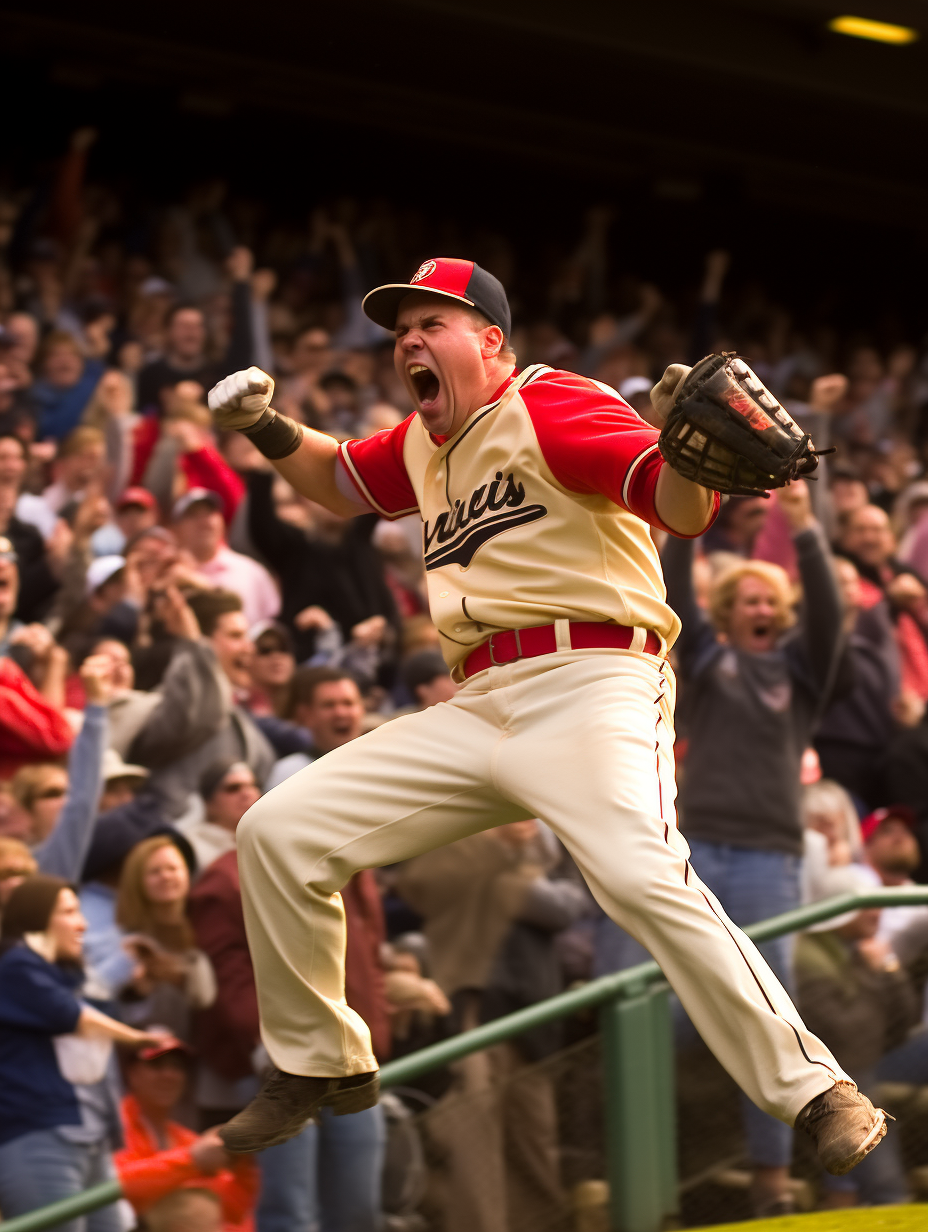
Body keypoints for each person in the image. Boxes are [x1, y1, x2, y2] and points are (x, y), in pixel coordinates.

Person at [207, 257, 884, 1177]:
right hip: (476, 700)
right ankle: (320, 1062)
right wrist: (264, 425)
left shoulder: (553, 402)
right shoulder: (420, 440)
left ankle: (818, 1090)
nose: (407, 337)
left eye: (430, 322)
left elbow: (674, 507)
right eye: (399, 327)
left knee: (640, 876)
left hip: (592, 677)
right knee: (277, 831)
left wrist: (686, 462)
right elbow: (339, 482)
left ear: (489, 339)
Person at [0, 874, 163, 1228]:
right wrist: (135, 1038)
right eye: (69, 912)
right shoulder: (14, 966)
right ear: (38, 918)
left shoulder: (64, 972)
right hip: (40, 1137)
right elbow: (71, 1017)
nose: (82, 923)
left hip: (91, 1136)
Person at [115, 1036, 257, 1231]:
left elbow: (232, 1211)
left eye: (177, 1067)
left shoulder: (186, 1138)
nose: (169, 1075)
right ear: (132, 1073)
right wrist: (192, 1160)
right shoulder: (114, 1124)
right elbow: (116, 1185)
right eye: (156, 1065)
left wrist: (245, 1166)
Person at [115, 836, 217, 1040]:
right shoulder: (130, 943)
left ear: (187, 873)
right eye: (155, 872)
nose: (166, 877)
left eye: (173, 868)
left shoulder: (211, 925)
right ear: (137, 881)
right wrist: (139, 993)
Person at [171, 489, 279, 627]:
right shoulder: (166, 575)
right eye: (193, 515)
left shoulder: (251, 571)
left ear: (222, 521)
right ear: (175, 528)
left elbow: (269, 625)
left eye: (210, 513)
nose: (204, 522)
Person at [264, 666, 366, 789]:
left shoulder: (383, 765)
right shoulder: (291, 773)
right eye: (329, 705)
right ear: (306, 715)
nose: (340, 713)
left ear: (362, 709)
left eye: (348, 703)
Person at [177, 762, 261, 872]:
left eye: (253, 785)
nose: (247, 794)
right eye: (233, 788)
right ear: (208, 802)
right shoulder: (190, 848)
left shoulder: (267, 839)